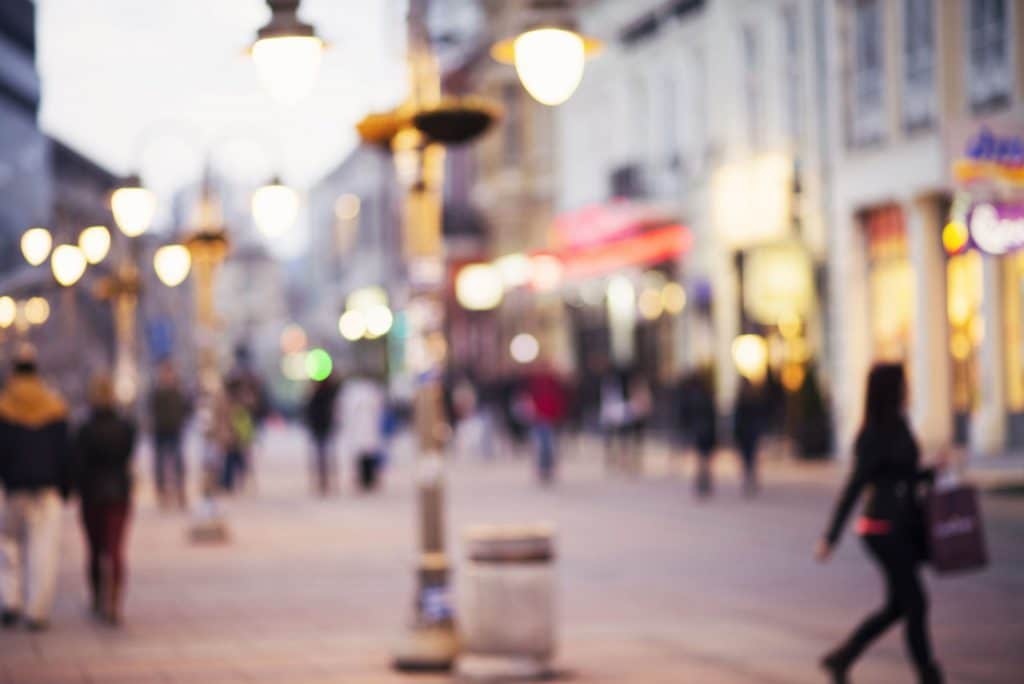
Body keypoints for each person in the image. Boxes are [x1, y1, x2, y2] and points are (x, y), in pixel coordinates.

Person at [815, 364, 943, 684]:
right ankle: (928, 675)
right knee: (914, 603)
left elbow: (903, 473)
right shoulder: (873, 434)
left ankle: (841, 657)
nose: (908, 389)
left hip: (903, 527)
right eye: (902, 384)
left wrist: (931, 472)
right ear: (890, 390)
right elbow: (855, 486)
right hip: (883, 530)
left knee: (900, 605)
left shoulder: (899, 423)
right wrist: (830, 537)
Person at [0, 344, 73, 631]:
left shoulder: (5, 406)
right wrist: (65, 488)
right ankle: (37, 610)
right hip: (46, 490)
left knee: (7, 546)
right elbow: (64, 453)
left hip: (12, 489)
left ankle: (9, 600)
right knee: (43, 550)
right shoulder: (53, 406)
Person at [75, 374, 136, 625]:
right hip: (119, 493)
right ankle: (115, 600)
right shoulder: (126, 427)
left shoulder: (84, 429)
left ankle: (98, 596)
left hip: (91, 494)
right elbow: (127, 457)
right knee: (115, 549)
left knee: (94, 548)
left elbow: (78, 464)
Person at [148, 360, 190, 508]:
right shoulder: (157, 392)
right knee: (159, 463)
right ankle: (162, 492)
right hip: (161, 431)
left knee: (178, 461)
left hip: (175, 430)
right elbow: (152, 410)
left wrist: (181, 421)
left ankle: (180, 490)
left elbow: (186, 408)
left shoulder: (178, 391)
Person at [339, 372, 386, 491]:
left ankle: (368, 480)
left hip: (365, 431)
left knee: (366, 455)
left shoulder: (357, 395)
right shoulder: (361, 394)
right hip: (362, 431)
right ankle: (365, 480)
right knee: (363, 456)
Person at [524, 363, 568, 483]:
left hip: (551, 417)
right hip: (539, 417)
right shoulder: (534, 382)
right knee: (542, 444)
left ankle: (548, 468)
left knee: (549, 445)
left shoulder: (553, 381)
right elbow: (529, 399)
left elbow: (560, 398)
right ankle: (543, 468)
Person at [678, 370, 717, 497]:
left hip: (700, 431)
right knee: (704, 459)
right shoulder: (706, 395)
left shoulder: (691, 396)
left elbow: (685, 415)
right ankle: (704, 483)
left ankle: (702, 483)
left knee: (702, 459)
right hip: (707, 431)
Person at [305, 375, 339, 495]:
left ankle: (325, 480)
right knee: (322, 455)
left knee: (323, 455)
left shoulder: (324, 393)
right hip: (319, 427)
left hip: (322, 426)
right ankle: (323, 480)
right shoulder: (324, 393)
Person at [732, 378, 766, 496]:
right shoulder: (745, 400)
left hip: (749, 434)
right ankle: (750, 480)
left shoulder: (749, 400)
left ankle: (750, 480)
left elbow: (758, 416)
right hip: (747, 434)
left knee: (749, 459)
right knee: (749, 459)